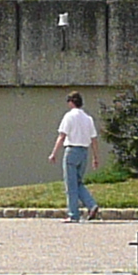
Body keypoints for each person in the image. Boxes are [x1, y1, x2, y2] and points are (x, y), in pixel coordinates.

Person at [49, 92, 102, 223]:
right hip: (84, 151)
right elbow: (94, 139)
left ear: (71, 102)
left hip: (72, 150)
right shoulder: (88, 118)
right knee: (78, 182)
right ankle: (91, 204)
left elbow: (62, 136)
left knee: (70, 184)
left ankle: (73, 214)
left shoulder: (69, 116)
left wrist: (54, 153)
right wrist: (95, 157)